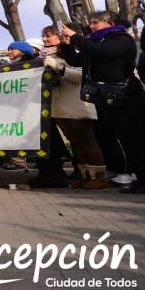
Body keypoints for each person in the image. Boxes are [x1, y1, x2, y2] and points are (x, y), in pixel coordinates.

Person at [61, 12, 145, 194]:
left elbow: (101, 53)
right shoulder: (95, 42)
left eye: (95, 23)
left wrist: (76, 37)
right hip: (108, 97)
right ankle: (140, 177)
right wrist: (67, 45)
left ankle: (142, 176)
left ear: (110, 23)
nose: (91, 26)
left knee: (135, 139)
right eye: (90, 23)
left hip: (127, 97)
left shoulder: (121, 39)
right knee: (124, 139)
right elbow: (78, 60)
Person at [37, 25, 105, 189]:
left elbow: (80, 76)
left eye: (49, 35)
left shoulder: (71, 52)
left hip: (76, 101)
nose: (46, 39)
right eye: (44, 36)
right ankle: (84, 176)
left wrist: (57, 66)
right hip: (57, 103)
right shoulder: (41, 56)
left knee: (87, 140)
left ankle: (99, 177)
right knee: (74, 142)